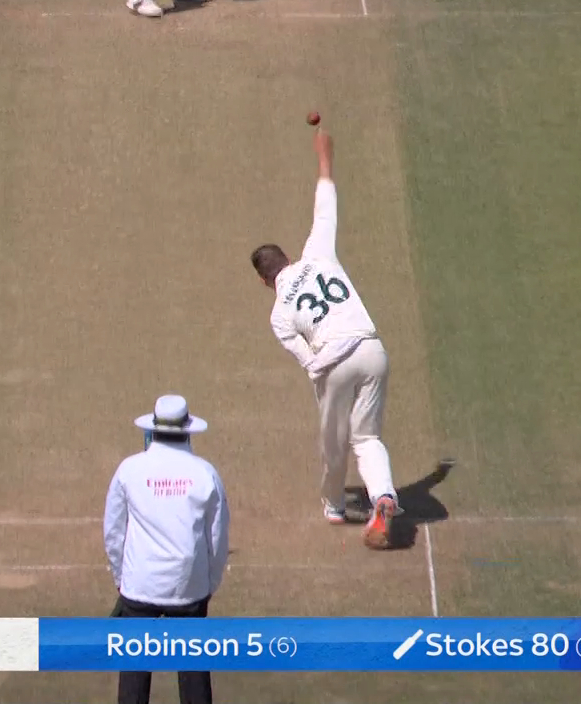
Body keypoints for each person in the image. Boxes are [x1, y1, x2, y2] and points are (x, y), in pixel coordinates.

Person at [249, 127, 400, 549]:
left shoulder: (279, 315)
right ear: (289, 258)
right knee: (367, 438)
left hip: (333, 362)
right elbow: (325, 209)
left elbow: (308, 361)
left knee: (335, 441)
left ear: (264, 281)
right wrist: (324, 158)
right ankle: (383, 497)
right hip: (371, 347)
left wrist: (329, 383)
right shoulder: (317, 252)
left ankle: (335, 507)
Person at [104, 395, 230, 704]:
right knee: (194, 674)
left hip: (140, 583)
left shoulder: (129, 469)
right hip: (189, 586)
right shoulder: (205, 473)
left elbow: (113, 532)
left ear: (152, 430)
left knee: (134, 675)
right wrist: (207, 585)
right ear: (187, 432)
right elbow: (217, 538)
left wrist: (122, 579)